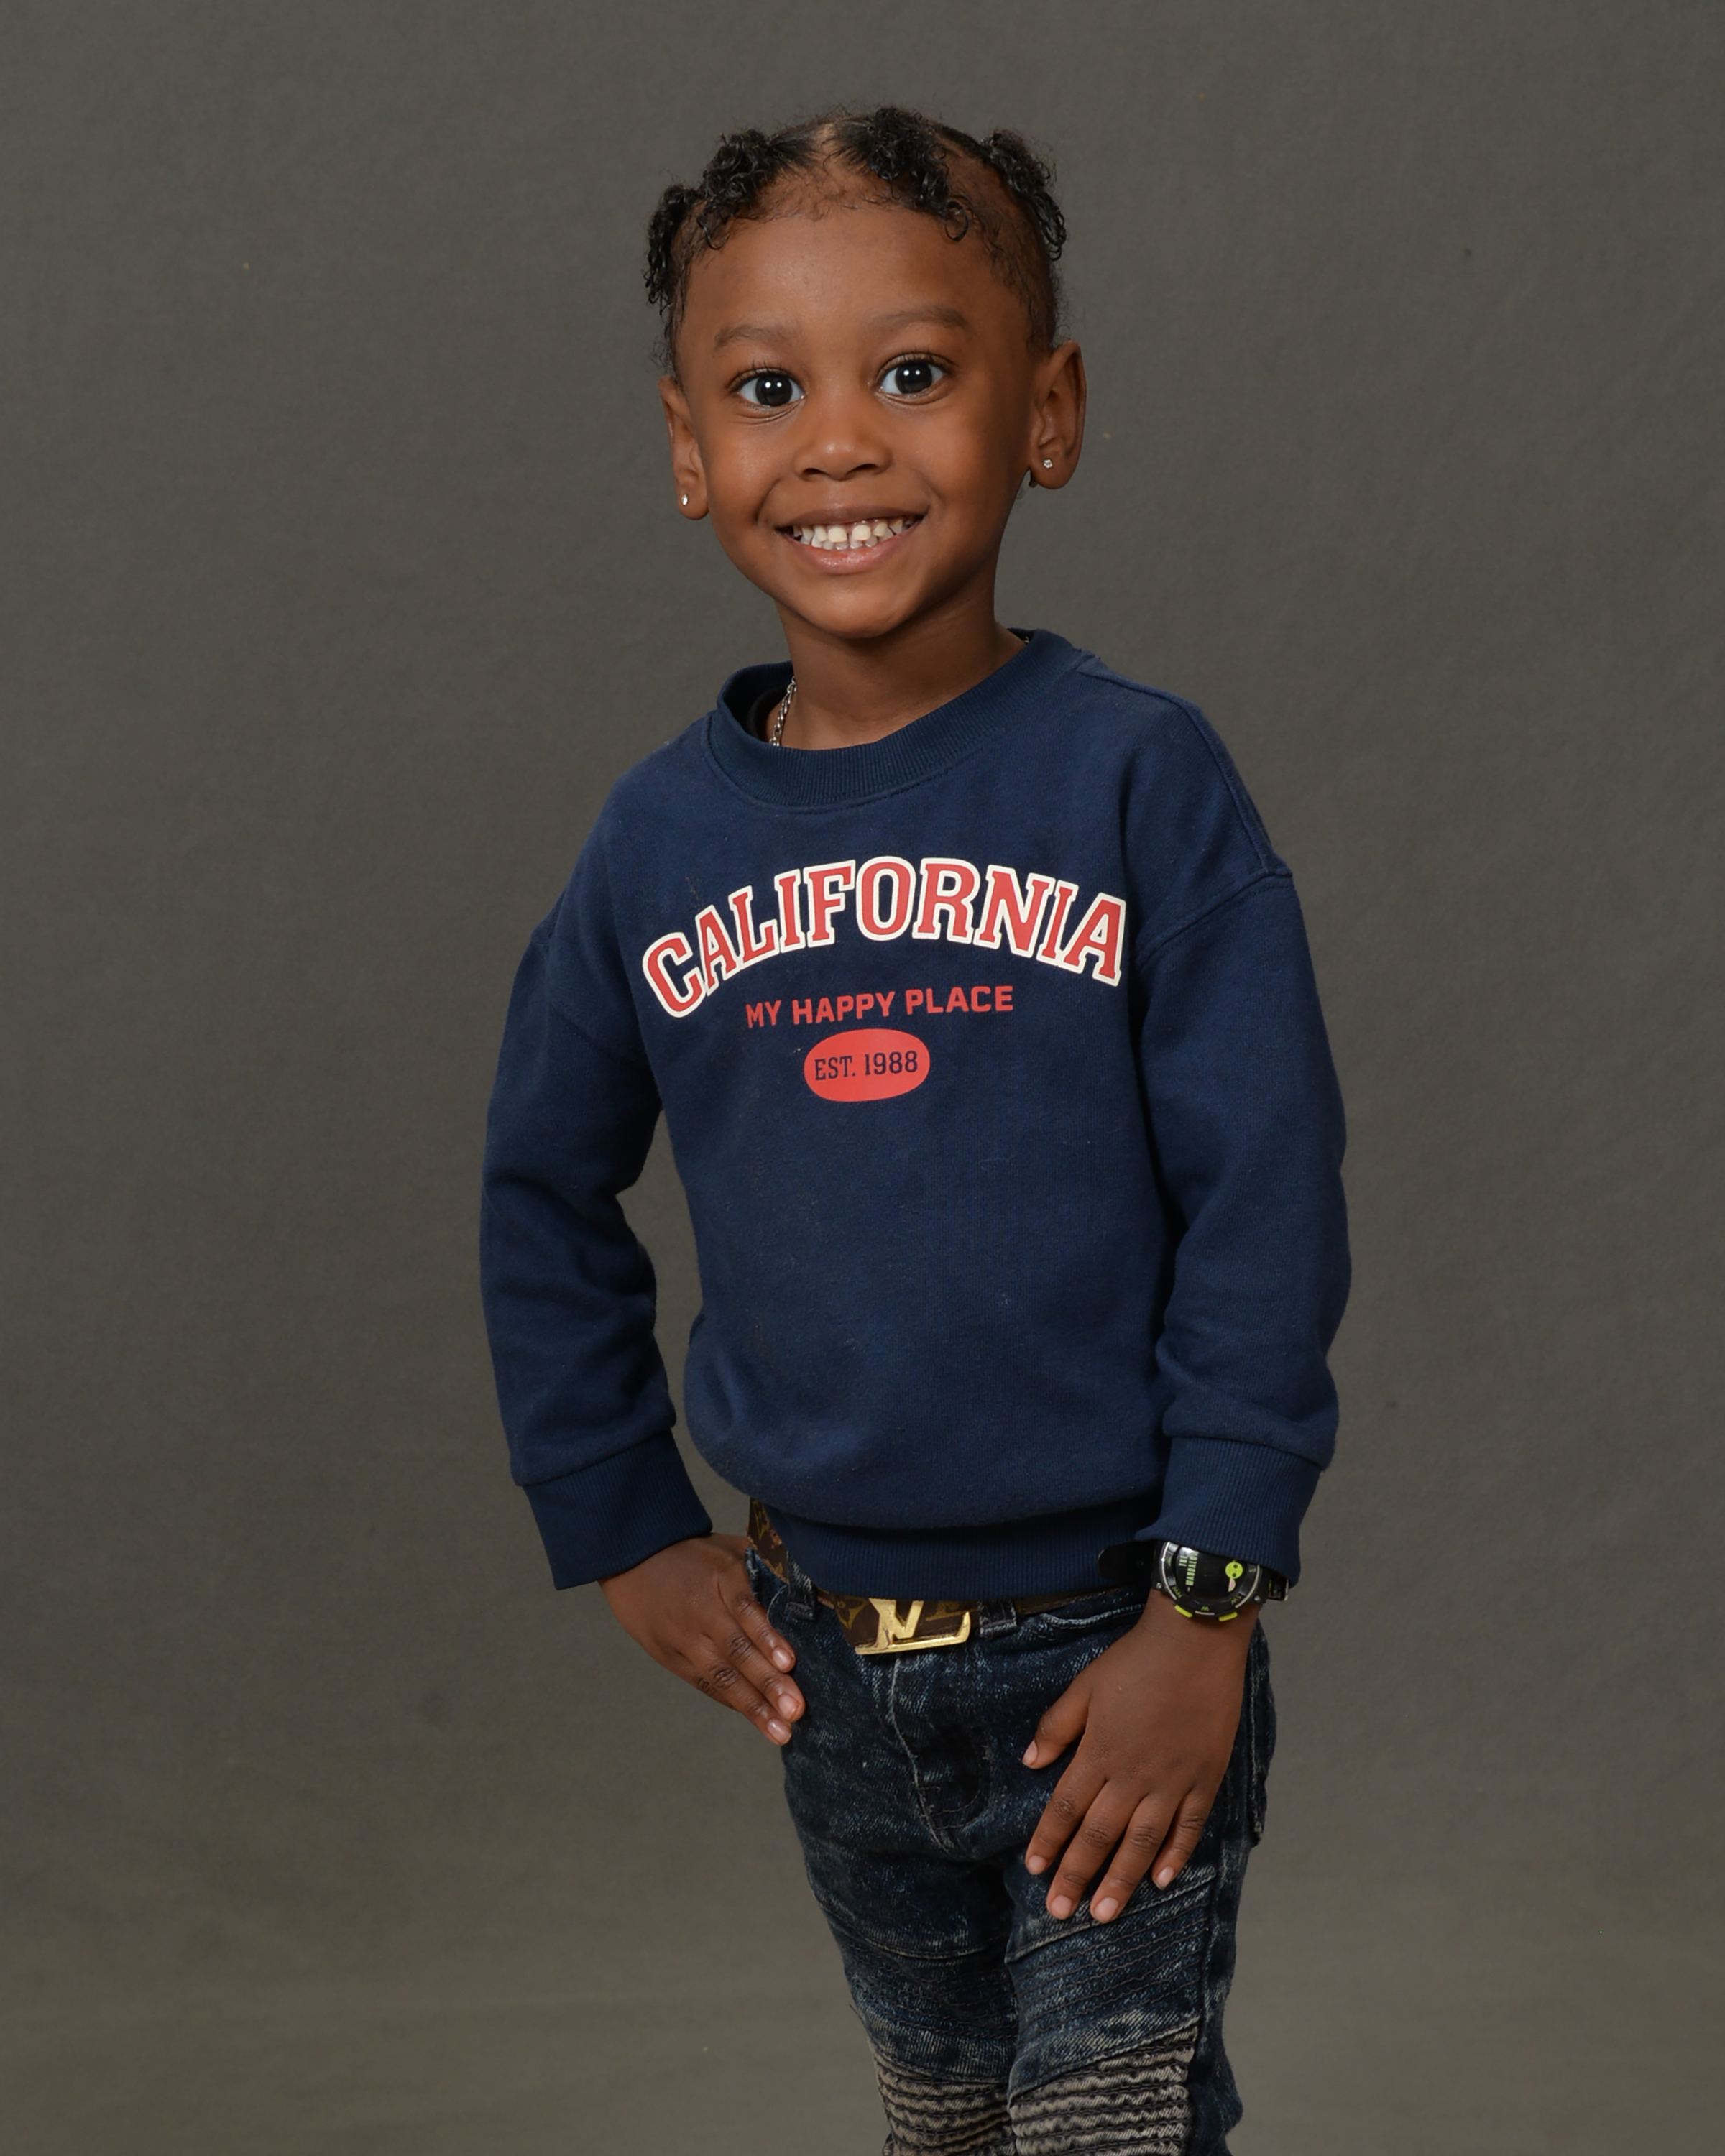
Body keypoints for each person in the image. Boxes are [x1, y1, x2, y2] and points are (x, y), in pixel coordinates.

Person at [481, 105, 1348, 2156]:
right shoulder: (655, 844)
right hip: (829, 1657)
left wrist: (1208, 1608)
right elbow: (540, 1183)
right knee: (946, 2116)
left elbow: (1267, 1199)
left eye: (916, 370)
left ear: (1045, 413)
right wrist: (622, 1523)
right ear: (687, 446)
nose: (841, 443)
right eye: (768, 389)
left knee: (1107, 2122)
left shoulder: (1136, 785)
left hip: (1113, 1638)